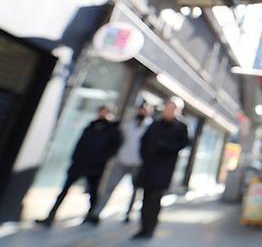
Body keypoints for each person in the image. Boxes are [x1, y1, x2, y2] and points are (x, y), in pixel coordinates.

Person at [36, 105, 122, 227]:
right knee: (64, 190)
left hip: (95, 167)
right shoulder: (91, 126)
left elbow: (114, 149)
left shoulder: (113, 130)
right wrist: (75, 158)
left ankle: (92, 215)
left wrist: (100, 160)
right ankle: (51, 216)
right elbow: (80, 143)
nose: (102, 114)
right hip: (80, 163)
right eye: (101, 111)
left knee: (93, 192)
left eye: (105, 112)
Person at [85, 103, 153, 224]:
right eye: (140, 109)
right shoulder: (126, 124)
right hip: (121, 161)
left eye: (144, 110)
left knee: (135, 190)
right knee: (108, 188)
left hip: (137, 163)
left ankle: (129, 213)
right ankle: (96, 213)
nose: (142, 112)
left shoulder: (151, 127)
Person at [132, 96, 189, 239]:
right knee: (145, 198)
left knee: (155, 199)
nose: (168, 110)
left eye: (172, 108)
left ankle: (150, 228)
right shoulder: (155, 124)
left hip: (164, 168)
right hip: (148, 166)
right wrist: (145, 155)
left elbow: (182, 144)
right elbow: (144, 141)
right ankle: (143, 228)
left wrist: (165, 148)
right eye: (167, 107)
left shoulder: (181, 127)